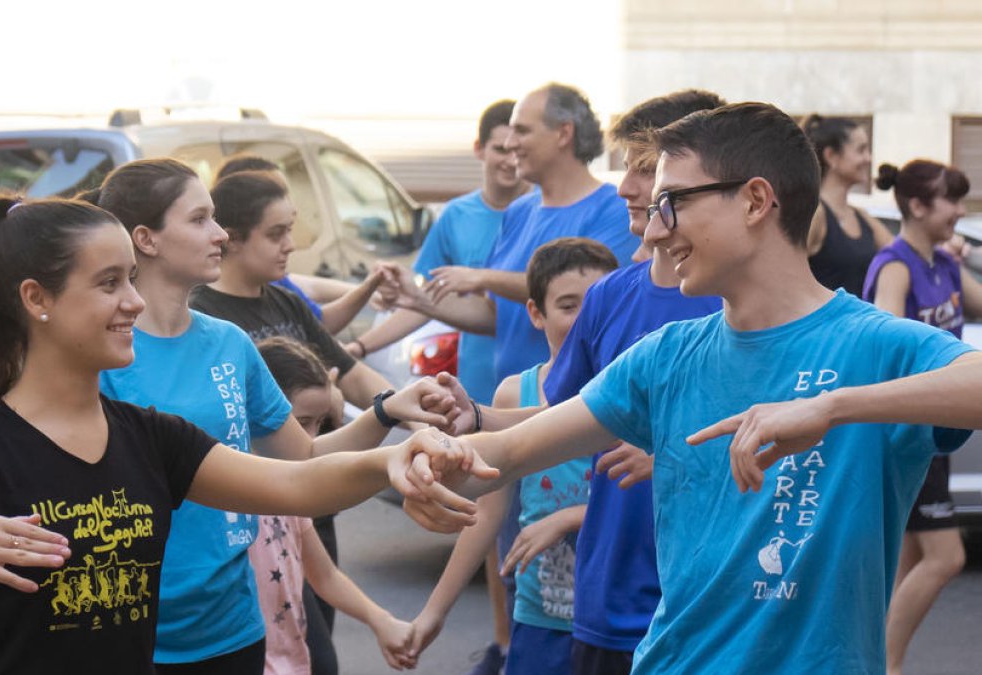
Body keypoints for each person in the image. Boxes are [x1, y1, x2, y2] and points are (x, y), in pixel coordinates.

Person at [399, 102, 982, 674]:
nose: (653, 232)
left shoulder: (874, 346)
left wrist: (831, 407)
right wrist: (425, 459)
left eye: (670, 204)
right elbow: (513, 448)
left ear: (755, 201)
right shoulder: (667, 354)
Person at [0, 195, 489, 675]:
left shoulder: (148, 436)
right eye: (108, 283)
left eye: (131, 278)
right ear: (37, 298)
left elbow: (296, 481)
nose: (135, 302)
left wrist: (391, 456)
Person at [93, 158, 464, 673]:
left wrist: (384, 413)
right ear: (146, 239)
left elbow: (304, 460)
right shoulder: (103, 354)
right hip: (137, 633)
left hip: (236, 628)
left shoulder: (229, 342)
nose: (220, 234)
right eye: (200, 219)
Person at [541, 89, 726, 675]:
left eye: (646, 170)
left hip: (709, 605)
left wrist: (673, 452)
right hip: (610, 600)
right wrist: (469, 423)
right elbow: (564, 421)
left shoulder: (746, 304)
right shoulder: (610, 296)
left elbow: (801, 445)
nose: (624, 187)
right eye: (625, 167)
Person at [346, 99, 526, 674]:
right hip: (475, 395)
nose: (509, 158)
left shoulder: (536, 213)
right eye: (499, 146)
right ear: (480, 150)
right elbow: (422, 305)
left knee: (546, 523)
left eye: (518, 147)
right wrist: (358, 347)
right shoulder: (457, 218)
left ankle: (541, 642)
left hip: (540, 395)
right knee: (492, 523)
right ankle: (502, 644)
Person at [410, 237, 617, 674]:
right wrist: (434, 611)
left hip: (620, 618)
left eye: (597, 302)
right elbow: (487, 512)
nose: (584, 318)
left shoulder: (635, 389)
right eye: (567, 305)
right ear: (535, 314)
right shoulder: (514, 392)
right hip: (541, 617)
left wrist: (568, 517)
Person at [392, 83, 638, 384]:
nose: (510, 143)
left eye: (521, 131)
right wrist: (415, 296)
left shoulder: (613, 210)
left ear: (563, 133)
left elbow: (588, 296)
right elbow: (496, 315)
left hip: (571, 407)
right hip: (512, 400)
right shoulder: (519, 211)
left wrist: (484, 276)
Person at [861, 159, 982, 675]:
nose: (960, 210)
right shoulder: (895, 264)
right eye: (951, 200)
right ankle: (883, 664)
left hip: (939, 428)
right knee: (945, 557)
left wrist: (970, 253)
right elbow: (885, 342)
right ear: (916, 206)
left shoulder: (946, 264)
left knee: (904, 562)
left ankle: (877, 658)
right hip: (908, 428)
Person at [253, 336, 417, 673]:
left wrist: (381, 620)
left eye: (319, 423)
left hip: (294, 659)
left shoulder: (288, 490)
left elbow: (324, 574)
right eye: (301, 423)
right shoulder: (231, 491)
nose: (310, 438)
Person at [191, 170, 397, 409]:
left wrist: (409, 410)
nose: (290, 245)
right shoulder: (202, 316)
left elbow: (351, 375)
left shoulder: (289, 303)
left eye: (289, 230)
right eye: (276, 234)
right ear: (232, 238)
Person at [216, 154, 399, 336]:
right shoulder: (207, 312)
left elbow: (317, 322)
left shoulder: (281, 295)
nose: (290, 246)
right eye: (275, 234)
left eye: (285, 193)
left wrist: (368, 289)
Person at [801, 115, 894, 297]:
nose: (868, 158)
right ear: (831, 156)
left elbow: (902, 253)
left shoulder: (860, 215)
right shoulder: (816, 214)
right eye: (861, 150)